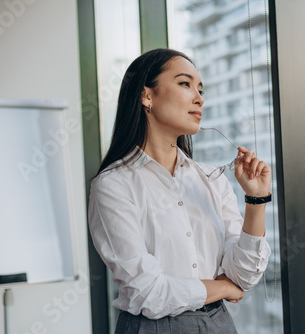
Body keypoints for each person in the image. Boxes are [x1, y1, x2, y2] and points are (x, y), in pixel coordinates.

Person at [88, 48, 272, 334]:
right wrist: (223, 287)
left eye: (201, 89)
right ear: (146, 96)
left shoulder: (211, 179)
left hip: (219, 323)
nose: (199, 98)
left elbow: (244, 275)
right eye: (185, 84)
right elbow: (148, 292)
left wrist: (256, 199)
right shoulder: (113, 185)